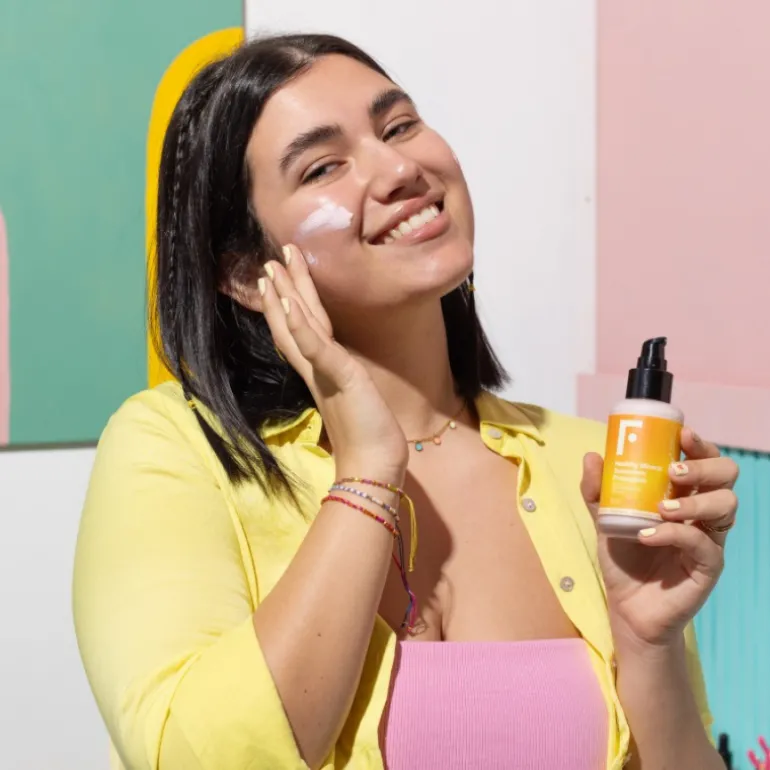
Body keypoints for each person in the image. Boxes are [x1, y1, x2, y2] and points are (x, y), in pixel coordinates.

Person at [72, 34, 739, 770]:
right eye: (323, 167)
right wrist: (367, 471)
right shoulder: (175, 451)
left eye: (398, 126)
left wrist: (646, 642)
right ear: (248, 275)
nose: (399, 170)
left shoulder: (596, 469)